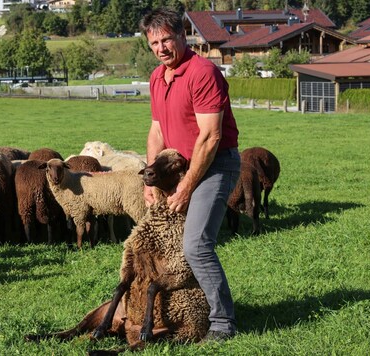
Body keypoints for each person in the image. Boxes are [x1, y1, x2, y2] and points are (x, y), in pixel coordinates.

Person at [140, 8, 241, 343]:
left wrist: (185, 187)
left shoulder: (203, 73)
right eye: (154, 42)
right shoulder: (158, 77)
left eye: (167, 38)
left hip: (215, 164)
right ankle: (176, 307)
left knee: (197, 245)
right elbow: (156, 132)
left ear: (183, 35)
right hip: (175, 168)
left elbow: (210, 137)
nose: (161, 47)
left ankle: (223, 322)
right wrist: (150, 180)